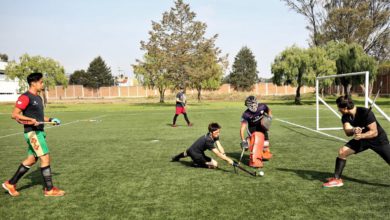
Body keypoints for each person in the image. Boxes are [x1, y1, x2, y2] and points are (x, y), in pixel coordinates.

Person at [2, 72, 65, 197]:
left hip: (39, 132)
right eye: (41, 82)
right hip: (33, 133)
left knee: (31, 160)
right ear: (33, 83)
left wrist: (51, 119)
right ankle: (49, 189)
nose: (43, 84)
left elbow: (39, 117)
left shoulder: (38, 98)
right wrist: (30, 120)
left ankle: (11, 183)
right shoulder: (25, 97)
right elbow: (15, 115)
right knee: (45, 158)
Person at [323, 95, 390, 188]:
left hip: (378, 140)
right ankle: (337, 179)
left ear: (346, 108)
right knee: (342, 151)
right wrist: (354, 130)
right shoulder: (345, 116)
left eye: (339, 108)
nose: (339, 110)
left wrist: (361, 135)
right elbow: (347, 131)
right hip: (362, 140)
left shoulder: (365, 112)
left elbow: (374, 132)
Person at [171, 122, 238, 168]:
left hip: (192, 149)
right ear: (211, 132)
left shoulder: (213, 135)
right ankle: (196, 164)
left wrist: (224, 154)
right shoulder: (208, 140)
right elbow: (217, 153)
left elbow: (219, 145)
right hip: (196, 154)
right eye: (216, 132)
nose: (218, 134)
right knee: (215, 164)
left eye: (219, 132)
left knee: (187, 153)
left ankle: (176, 157)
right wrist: (229, 160)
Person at [240, 95, 273, 168]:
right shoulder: (246, 114)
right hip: (252, 128)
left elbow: (269, 110)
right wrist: (243, 140)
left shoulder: (262, 106)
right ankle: (253, 159)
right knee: (255, 143)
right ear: (248, 105)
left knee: (266, 145)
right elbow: (242, 128)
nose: (253, 106)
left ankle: (263, 153)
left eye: (254, 104)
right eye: (251, 105)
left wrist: (269, 117)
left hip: (262, 126)